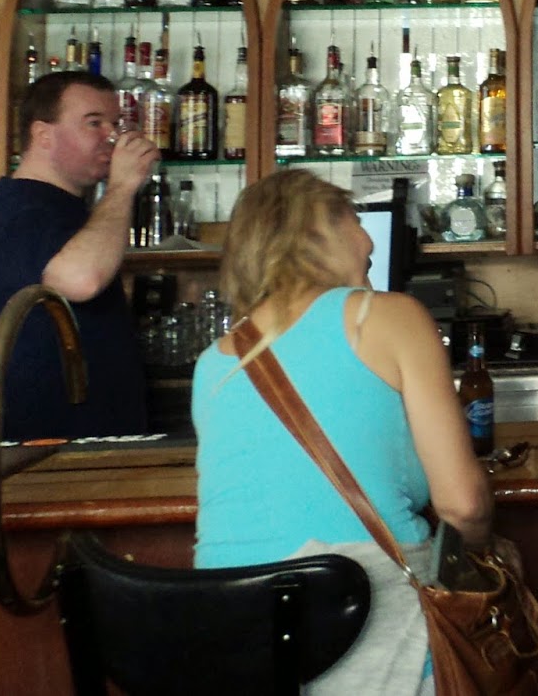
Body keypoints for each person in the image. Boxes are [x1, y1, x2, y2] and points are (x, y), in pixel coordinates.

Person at [194, 169, 493, 696]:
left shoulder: (212, 364)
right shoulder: (388, 317)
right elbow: (463, 504)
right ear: (317, 232)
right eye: (356, 219)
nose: (370, 239)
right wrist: (481, 555)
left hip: (231, 646)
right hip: (372, 636)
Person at [0, 72, 158, 441]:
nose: (111, 138)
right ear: (42, 135)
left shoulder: (61, 208)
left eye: (115, 124)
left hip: (78, 443)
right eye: (93, 123)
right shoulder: (21, 209)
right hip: (43, 449)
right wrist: (124, 185)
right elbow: (81, 279)